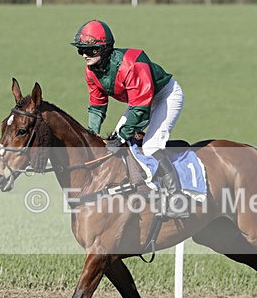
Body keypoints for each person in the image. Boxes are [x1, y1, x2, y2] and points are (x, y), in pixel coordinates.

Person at [71, 19, 188, 218]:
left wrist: (122, 136)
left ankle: (177, 200)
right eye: (81, 50)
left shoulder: (132, 64)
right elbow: (97, 106)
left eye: (90, 50)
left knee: (151, 146)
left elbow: (141, 109)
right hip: (139, 101)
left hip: (165, 96)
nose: (84, 55)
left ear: (105, 49)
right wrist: (90, 135)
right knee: (116, 145)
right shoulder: (91, 71)